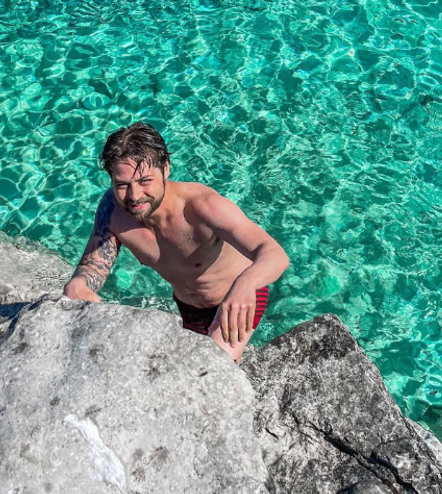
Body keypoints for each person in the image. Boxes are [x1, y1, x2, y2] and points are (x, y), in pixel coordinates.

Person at [63, 122, 290, 362]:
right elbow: (94, 265)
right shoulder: (112, 210)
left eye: (145, 181)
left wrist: (245, 283)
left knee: (210, 369)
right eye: (122, 185)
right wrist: (79, 284)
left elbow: (274, 254)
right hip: (188, 306)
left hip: (236, 300)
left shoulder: (202, 207)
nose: (134, 195)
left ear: (166, 169)